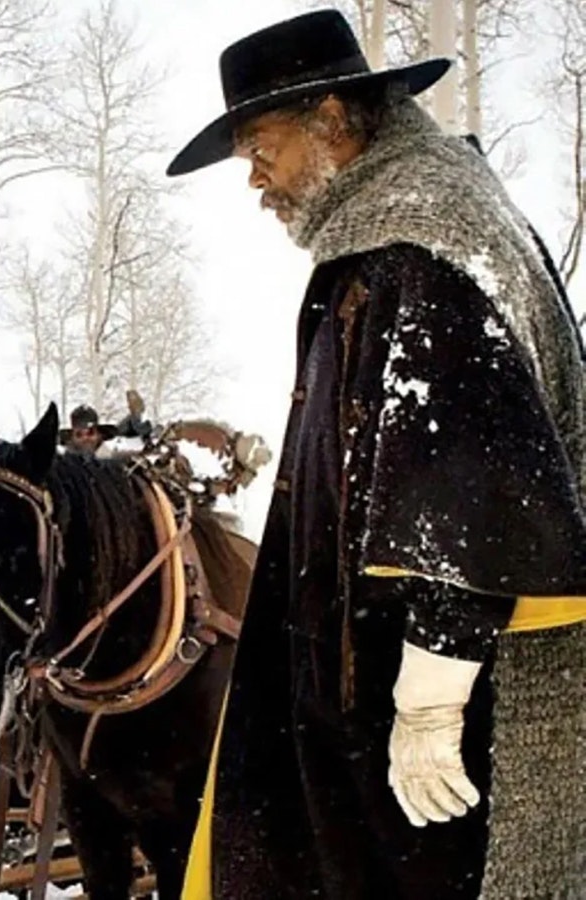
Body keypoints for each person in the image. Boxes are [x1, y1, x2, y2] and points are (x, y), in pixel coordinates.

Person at [166, 10, 586, 899]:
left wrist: (432, 696)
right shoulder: (409, 234)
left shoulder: (416, 252)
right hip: (368, 697)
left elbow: (471, 474)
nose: (255, 178)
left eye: (259, 146)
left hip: (426, 722)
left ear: (330, 117)